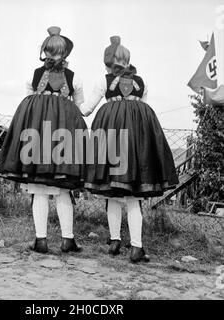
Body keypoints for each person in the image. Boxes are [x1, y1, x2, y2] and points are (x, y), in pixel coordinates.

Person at [80, 36, 179, 263]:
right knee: (134, 196)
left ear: (108, 62)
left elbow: (86, 109)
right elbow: (141, 106)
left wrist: (69, 106)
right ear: (128, 59)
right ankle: (136, 247)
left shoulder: (103, 81)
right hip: (137, 140)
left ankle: (115, 242)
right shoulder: (142, 82)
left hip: (110, 135)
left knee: (113, 193)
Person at [0, 26, 87, 254]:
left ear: (44, 51)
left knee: (39, 188)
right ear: (65, 53)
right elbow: (81, 108)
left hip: (35, 137)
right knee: (64, 188)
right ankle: (68, 240)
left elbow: (29, 106)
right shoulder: (75, 79)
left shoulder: (32, 76)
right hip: (64, 137)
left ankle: (41, 240)